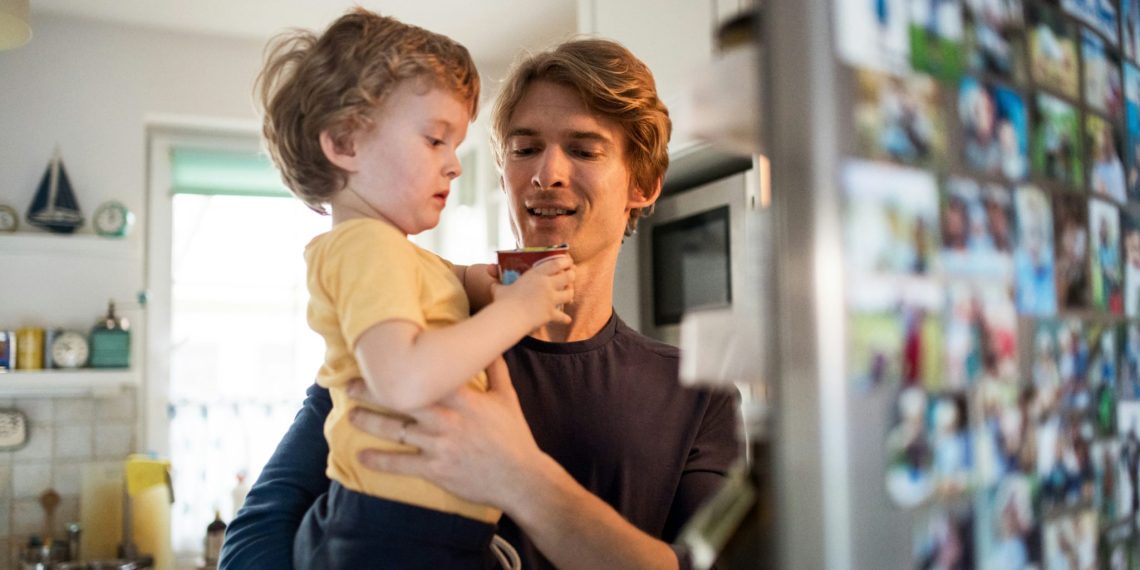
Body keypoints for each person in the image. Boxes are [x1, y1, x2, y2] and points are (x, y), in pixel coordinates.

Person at [220, 36, 740, 570]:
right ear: (503, 172)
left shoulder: (698, 393)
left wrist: (519, 477)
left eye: (583, 150)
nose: (546, 173)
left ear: (645, 184)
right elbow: (251, 546)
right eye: (524, 148)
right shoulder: (420, 332)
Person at [253, 9, 578, 568]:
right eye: (435, 140)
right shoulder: (364, 248)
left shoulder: (396, 255)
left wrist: (492, 279)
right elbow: (402, 379)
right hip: (385, 533)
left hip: (420, 531)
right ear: (345, 143)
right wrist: (519, 310)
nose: (453, 166)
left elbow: (454, 280)